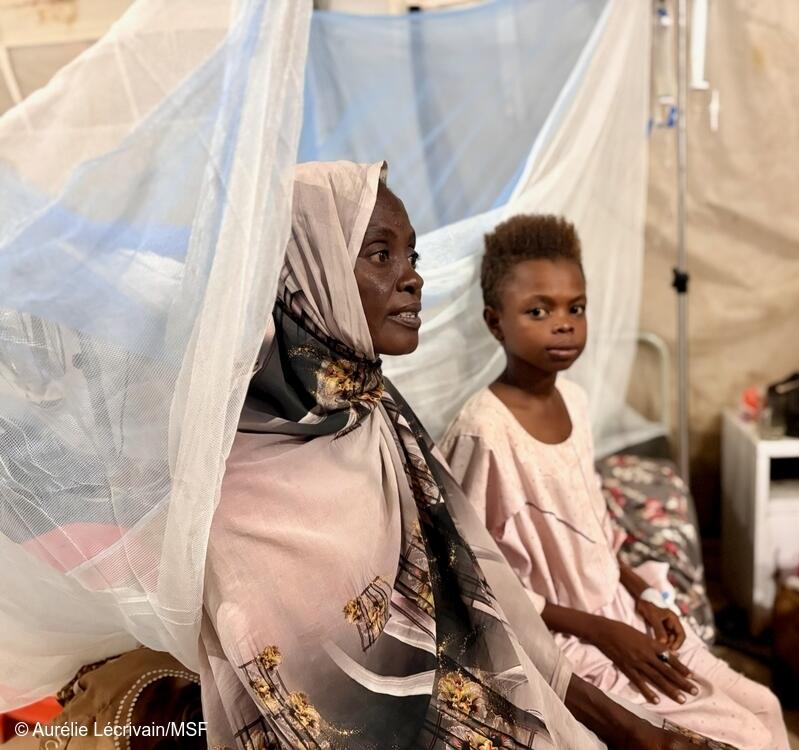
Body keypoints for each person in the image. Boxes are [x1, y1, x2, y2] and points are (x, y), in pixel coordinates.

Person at [196, 162, 729, 749]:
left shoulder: (374, 415)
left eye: (413, 258)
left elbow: (484, 602)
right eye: (379, 255)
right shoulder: (242, 476)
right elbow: (315, 698)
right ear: (307, 271)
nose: (411, 280)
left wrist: (633, 730)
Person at [441, 214, 790, 750]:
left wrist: (644, 596)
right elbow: (480, 576)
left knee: (765, 704)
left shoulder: (576, 404)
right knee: (741, 736)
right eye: (538, 311)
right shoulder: (485, 432)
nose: (563, 323)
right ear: (495, 322)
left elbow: (593, 534)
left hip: (623, 613)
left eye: (574, 308)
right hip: (568, 638)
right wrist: (605, 633)